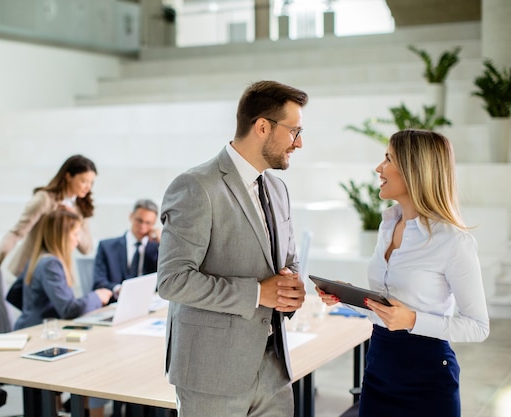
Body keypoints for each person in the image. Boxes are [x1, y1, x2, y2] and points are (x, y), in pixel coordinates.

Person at [156, 80, 308, 417]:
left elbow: (289, 262)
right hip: (212, 374)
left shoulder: (278, 189)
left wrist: (291, 289)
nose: (298, 143)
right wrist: (257, 294)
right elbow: (172, 280)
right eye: (294, 131)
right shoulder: (196, 186)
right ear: (262, 127)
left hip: (274, 369)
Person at [318, 129, 490, 417]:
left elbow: (478, 326)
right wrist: (346, 295)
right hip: (378, 369)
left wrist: (412, 320)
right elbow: (388, 308)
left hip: (427, 380)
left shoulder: (453, 241)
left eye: (388, 159)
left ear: (414, 170)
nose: (378, 168)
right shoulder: (388, 226)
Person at [13, 208, 113, 417]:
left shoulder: (42, 258)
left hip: (42, 332)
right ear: (61, 235)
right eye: (75, 234)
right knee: (95, 363)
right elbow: (69, 309)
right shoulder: (50, 263)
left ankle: (76, 408)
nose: (77, 241)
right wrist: (98, 295)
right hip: (38, 337)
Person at [0, 154, 97, 277]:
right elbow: (17, 232)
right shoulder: (44, 199)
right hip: (32, 268)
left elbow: (86, 248)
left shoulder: (81, 208)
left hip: (58, 271)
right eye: (83, 181)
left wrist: (74, 219)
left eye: (91, 183)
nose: (88, 187)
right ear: (68, 176)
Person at [93, 198, 160, 302]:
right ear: (131, 216)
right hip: (115, 304)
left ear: (154, 224)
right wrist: (118, 289)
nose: (143, 227)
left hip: (147, 303)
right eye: (139, 221)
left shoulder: (157, 249)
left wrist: (162, 242)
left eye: (148, 223)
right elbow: (98, 282)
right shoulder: (106, 247)